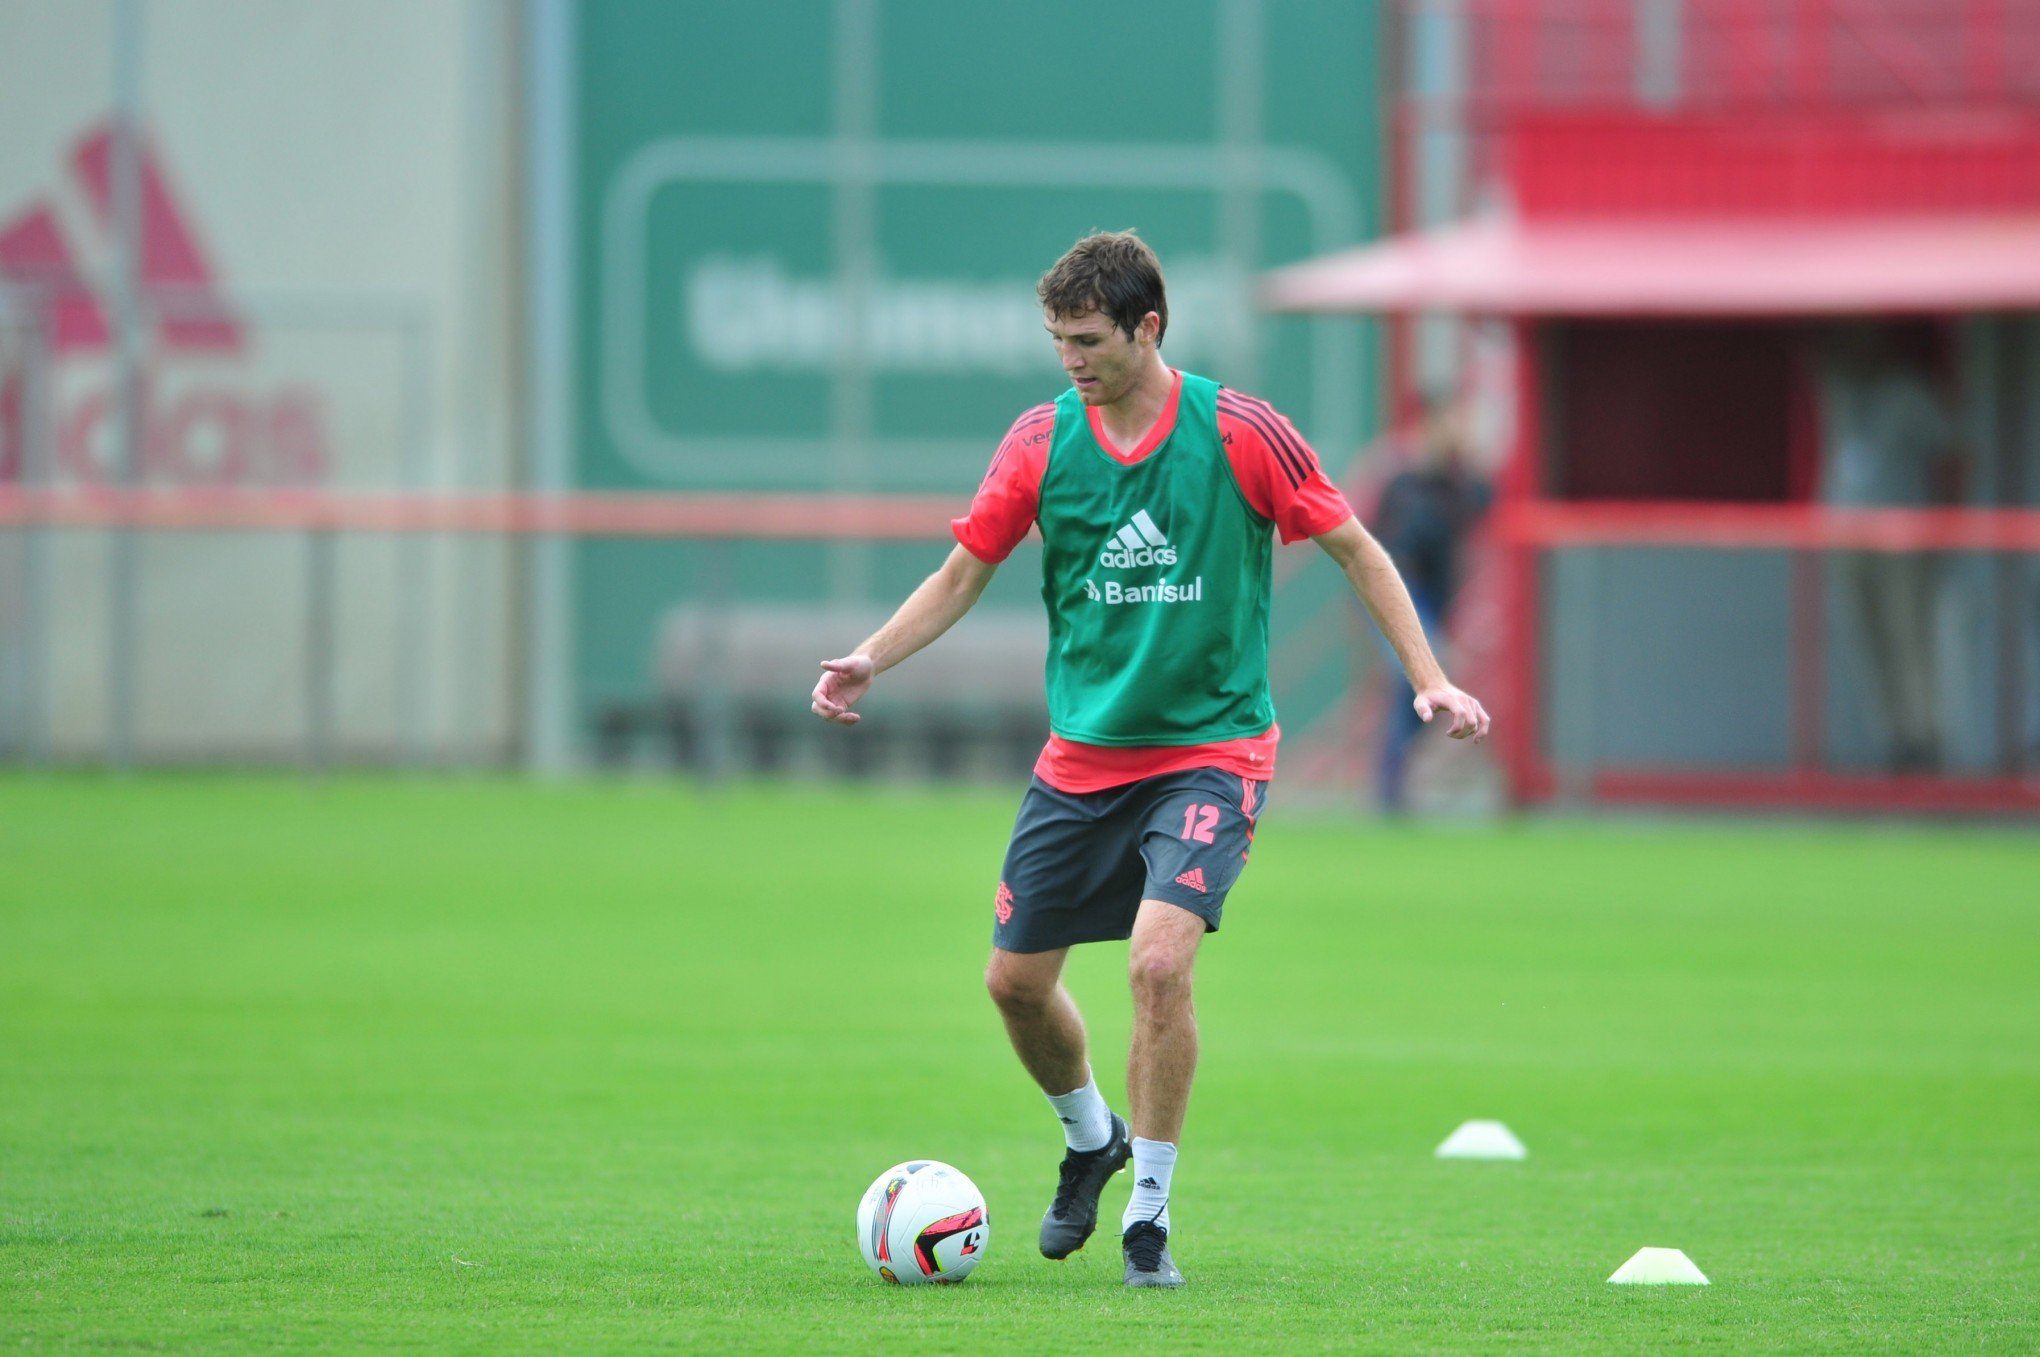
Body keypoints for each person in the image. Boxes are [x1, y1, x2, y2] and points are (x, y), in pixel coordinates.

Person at [810, 232, 1488, 1288]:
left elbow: (1356, 544)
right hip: (1082, 760)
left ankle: (1150, 1220)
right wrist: (868, 658)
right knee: (1014, 986)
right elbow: (960, 573)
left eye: (1088, 339)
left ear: (1148, 328)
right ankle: (1092, 1138)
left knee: (1158, 964)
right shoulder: (1040, 441)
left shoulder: (1240, 430)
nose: (1071, 359)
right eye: (1058, 340)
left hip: (1212, 753)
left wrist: (1428, 674)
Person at [1815, 324, 1962, 773]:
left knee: (1909, 635)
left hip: (1902, 535)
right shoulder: (1836, 387)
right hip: (1844, 533)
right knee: (1864, 635)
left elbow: (1951, 457)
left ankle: (1925, 739)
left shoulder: (1907, 391)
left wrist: (1946, 527)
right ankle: (1896, 741)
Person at [1369, 391, 1491, 810]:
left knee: (1416, 695)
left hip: (1436, 601)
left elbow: (1487, 500)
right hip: (1398, 598)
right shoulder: (1401, 481)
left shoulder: (1460, 485)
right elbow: (1368, 547)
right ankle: (1390, 785)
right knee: (1417, 678)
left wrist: (1468, 456)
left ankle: (1392, 782)